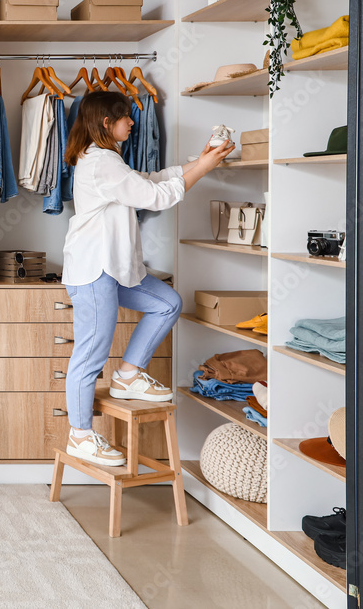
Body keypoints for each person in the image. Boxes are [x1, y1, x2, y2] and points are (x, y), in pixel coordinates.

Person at [61, 91, 235, 467]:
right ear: (106, 123)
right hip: (94, 272)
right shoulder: (101, 161)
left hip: (114, 268)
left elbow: (151, 180)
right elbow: (155, 197)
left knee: (167, 303)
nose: (132, 122)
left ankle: (127, 374)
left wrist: (200, 161)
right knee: (89, 356)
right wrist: (203, 168)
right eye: (125, 117)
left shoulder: (107, 159)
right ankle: (80, 435)